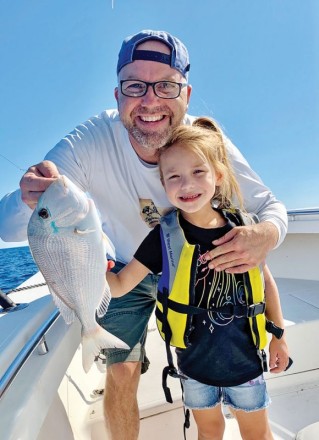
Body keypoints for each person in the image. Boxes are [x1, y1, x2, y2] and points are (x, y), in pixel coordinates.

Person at [0, 30, 288, 439]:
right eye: (135, 85)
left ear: (186, 94)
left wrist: (265, 234)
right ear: (117, 95)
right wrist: (27, 198)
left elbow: (270, 206)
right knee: (122, 369)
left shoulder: (205, 141)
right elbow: (9, 227)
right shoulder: (90, 140)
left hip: (196, 261)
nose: (150, 100)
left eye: (166, 86)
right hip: (126, 268)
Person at [105, 117, 290, 440]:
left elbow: (267, 285)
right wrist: (87, 263)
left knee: (257, 434)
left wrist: (279, 336)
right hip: (194, 368)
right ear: (163, 185)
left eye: (198, 172)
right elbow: (120, 285)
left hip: (244, 363)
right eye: (174, 176)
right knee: (209, 431)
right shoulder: (163, 237)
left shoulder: (243, 230)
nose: (186, 185)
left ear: (218, 176)